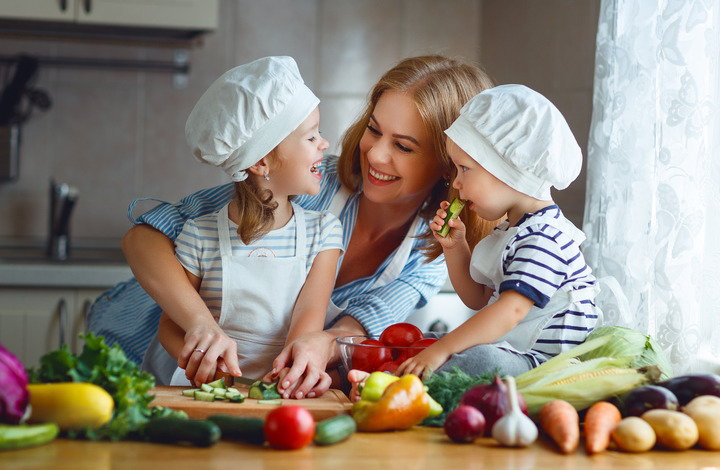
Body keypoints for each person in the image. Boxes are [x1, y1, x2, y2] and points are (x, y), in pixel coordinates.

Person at [87, 55, 498, 399]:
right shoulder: (310, 180)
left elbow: (364, 319)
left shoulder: (435, 246)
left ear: (450, 162)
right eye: (374, 130)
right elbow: (144, 237)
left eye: (403, 146)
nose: (375, 154)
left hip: (246, 386)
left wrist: (321, 347)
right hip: (144, 345)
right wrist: (199, 324)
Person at [155, 56, 344, 386]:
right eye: (311, 137)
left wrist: (287, 374)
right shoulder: (200, 235)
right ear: (261, 161)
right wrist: (202, 367)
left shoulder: (323, 232)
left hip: (281, 389)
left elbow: (308, 316)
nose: (324, 144)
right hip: (206, 392)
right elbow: (170, 326)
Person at [397, 84, 601, 380]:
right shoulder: (513, 231)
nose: (456, 182)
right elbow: (479, 300)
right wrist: (455, 248)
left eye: (464, 169)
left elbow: (510, 312)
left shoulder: (544, 238)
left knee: (479, 359)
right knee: (447, 348)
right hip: (519, 354)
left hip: (547, 366)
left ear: (508, 169)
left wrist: (442, 349)